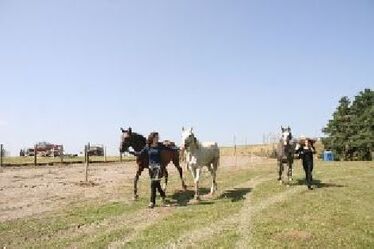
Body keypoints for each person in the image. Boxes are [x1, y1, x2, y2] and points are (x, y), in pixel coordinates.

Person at [129, 132, 172, 208]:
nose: (158, 138)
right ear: (152, 138)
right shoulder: (147, 147)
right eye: (156, 137)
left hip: (158, 167)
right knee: (156, 184)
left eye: (158, 137)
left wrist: (179, 148)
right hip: (151, 168)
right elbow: (140, 153)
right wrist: (131, 152)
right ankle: (163, 195)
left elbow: (169, 149)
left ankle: (152, 202)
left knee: (153, 184)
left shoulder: (160, 146)